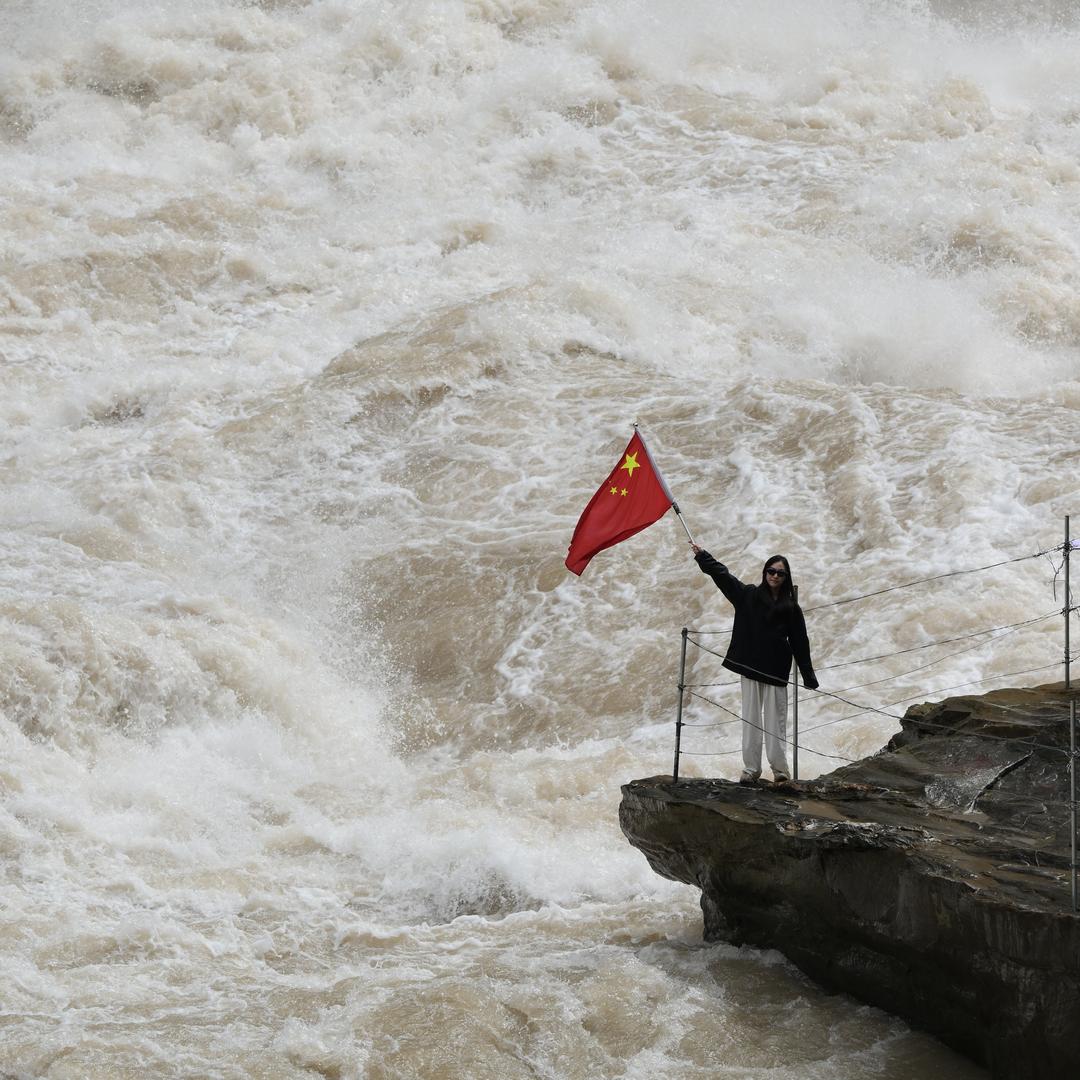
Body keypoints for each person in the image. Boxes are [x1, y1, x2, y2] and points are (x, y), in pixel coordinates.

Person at [691, 545, 818, 784]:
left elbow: (801, 642)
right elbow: (723, 576)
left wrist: (808, 675)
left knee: (775, 723)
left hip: (776, 671)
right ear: (765, 572)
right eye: (771, 571)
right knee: (750, 720)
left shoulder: (791, 607)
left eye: (780, 573)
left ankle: (780, 772)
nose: (774, 576)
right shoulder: (747, 595)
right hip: (751, 667)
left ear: (786, 578)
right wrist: (703, 557)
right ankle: (751, 770)